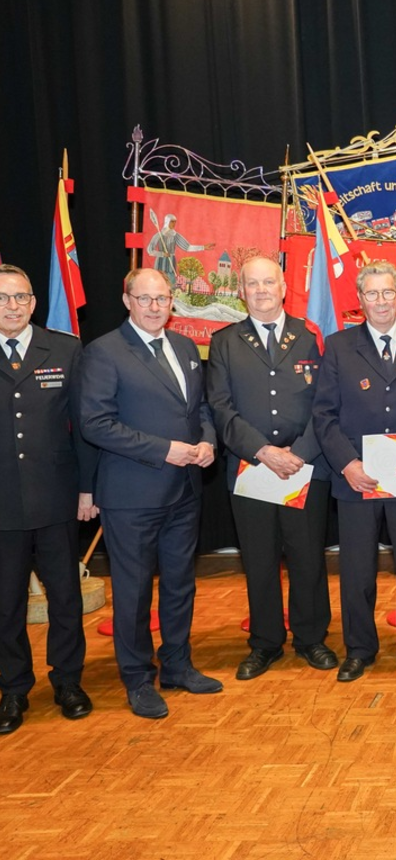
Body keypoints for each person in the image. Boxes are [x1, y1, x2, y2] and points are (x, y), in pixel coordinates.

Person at [79, 268, 221, 718]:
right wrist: (165, 450)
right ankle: (138, 678)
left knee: (180, 585)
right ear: (127, 301)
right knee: (135, 592)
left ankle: (177, 665)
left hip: (185, 491)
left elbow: (200, 408)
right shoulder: (104, 352)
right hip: (132, 495)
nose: (155, 307)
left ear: (172, 301)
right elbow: (95, 424)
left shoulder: (184, 347)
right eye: (145, 299)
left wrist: (207, 442)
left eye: (162, 298)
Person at [206, 256, 336, 681]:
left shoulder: (312, 336)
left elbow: (327, 403)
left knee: (307, 556)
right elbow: (220, 408)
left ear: (283, 287)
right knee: (259, 560)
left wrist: (301, 452)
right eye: (252, 284)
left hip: (305, 464)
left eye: (269, 282)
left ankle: (311, 637)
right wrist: (263, 451)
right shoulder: (225, 342)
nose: (261, 290)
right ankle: (265, 642)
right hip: (251, 467)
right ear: (240, 292)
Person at [312, 262, 396, 682]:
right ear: (360, 300)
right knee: (357, 570)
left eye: (387, 293)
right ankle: (359, 649)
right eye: (372, 294)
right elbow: (324, 415)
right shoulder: (338, 346)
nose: (380, 301)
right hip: (357, 478)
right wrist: (347, 464)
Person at [0, 264, 97, 734]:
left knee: (65, 598)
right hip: (3, 504)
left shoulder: (64, 349)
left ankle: (68, 681)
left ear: (34, 303)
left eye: (21, 297)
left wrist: (87, 488)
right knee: (6, 604)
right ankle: (14, 688)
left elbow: (84, 425)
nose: (12, 306)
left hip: (58, 498)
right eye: (3, 298)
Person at [144, 214, 213, 288]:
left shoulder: (175, 235)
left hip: (171, 263)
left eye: (175, 222)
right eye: (172, 221)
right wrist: (162, 254)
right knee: (158, 284)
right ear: (167, 222)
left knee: (171, 284)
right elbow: (149, 250)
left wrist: (203, 247)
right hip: (160, 263)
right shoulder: (159, 235)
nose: (174, 224)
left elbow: (187, 247)